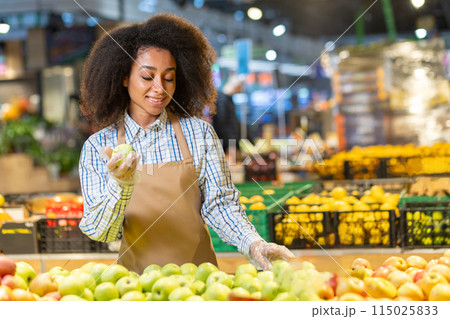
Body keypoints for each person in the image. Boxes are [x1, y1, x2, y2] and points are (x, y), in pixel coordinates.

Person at [78, 13, 294, 274]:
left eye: (169, 77)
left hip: (201, 282)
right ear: (124, 77)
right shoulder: (98, 147)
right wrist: (120, 185)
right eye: (148, 77)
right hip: (135, 287)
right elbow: (101, 231)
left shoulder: (198, 134)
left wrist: (252, 242)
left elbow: (220, 204)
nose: (160, 88)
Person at [212, 75, 242, 157]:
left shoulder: (228, 99)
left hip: (228, 143)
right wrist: (231, 144)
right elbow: (223, 123)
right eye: (239, 88)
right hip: (225, 145)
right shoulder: (222, 100)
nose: (240, 91)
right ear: (235, 87)